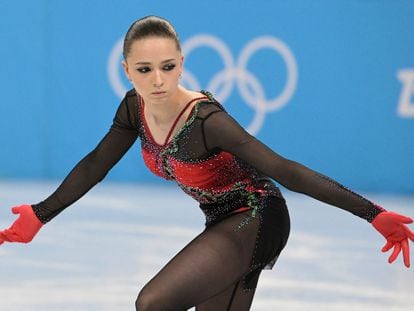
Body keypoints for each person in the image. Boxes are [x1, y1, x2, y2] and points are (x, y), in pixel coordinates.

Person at [0, 15, 413, 311]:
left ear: (181, 63)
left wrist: (372, 214)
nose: (158, 80)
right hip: (221, 221)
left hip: (256, 215)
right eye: (144, 69)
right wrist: (40, 214)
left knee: (154, 301)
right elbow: (95, 163)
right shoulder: (133, 109)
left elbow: (284, 170)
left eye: (167, 67)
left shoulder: (206, 121)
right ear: (127, 70)